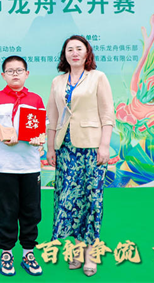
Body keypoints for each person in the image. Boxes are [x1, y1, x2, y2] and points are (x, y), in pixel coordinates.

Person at [45, 35, 114, 277]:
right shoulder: (57, 81)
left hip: (91, 147)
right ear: (64, 55)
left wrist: (104, 145)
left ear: (87, 53)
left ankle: (91, 253)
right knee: (70, 199)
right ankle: (76, 249)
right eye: (69, 49)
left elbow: (107, 114)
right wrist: (50, 147)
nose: (74, 53)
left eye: (79, 49)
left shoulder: (98, 77)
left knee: (91, 198)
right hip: (65, 148)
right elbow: (52, 117)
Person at [0, 56, 45, 277]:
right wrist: (2, 135)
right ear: (3, 75)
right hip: (5, 166)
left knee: (31, 210)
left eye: (19, 70)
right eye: (10, 71)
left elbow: (41, 129)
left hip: (30, 166)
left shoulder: (35, 99)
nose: (15, 74)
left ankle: (28, 252)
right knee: (6, 210)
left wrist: (38, 139)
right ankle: (6, 252)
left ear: (27, 73)